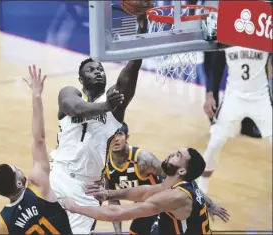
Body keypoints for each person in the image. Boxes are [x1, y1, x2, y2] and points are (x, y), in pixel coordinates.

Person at [50, 14, 149, 234]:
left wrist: (142, 29)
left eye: (101, 69)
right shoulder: (69, 94)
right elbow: (74, 108)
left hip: (87, 187)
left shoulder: (116, 103)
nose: (98, 72)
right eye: (91, 70)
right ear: (81, 79)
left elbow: (133, 66)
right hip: (59, 176)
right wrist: (105, 107)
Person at [62, 148, 230, 235]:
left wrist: (76, 208)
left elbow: (116, 213)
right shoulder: (179, 184)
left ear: (182, 171)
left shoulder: (176, 197)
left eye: (177, 155)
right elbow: (146, 191)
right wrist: (109, 194)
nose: (171, 153)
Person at [0, 65, 72, 235]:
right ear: (19, 183)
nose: (19, 168)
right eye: (16, 169)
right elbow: (39, 140)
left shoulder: (2, 222)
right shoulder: (37, 185)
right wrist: (36, 95)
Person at [198, 46, 272, 193]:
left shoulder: (263, 28)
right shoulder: (228, 34)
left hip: (260, 98)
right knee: (215, 143)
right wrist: (210, 94)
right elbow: (215, 67)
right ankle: (201, 190)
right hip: (234, 98)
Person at [105, 122, 164, 235]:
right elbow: (112, 199)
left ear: (127, 137)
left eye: (119, 134)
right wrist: (118, 233)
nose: (115, 139)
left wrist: (205, 202)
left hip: (163, 207)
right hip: (144, 208)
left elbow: (175, 179)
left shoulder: (144, 159)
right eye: (111, 135)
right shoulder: (105, 164)